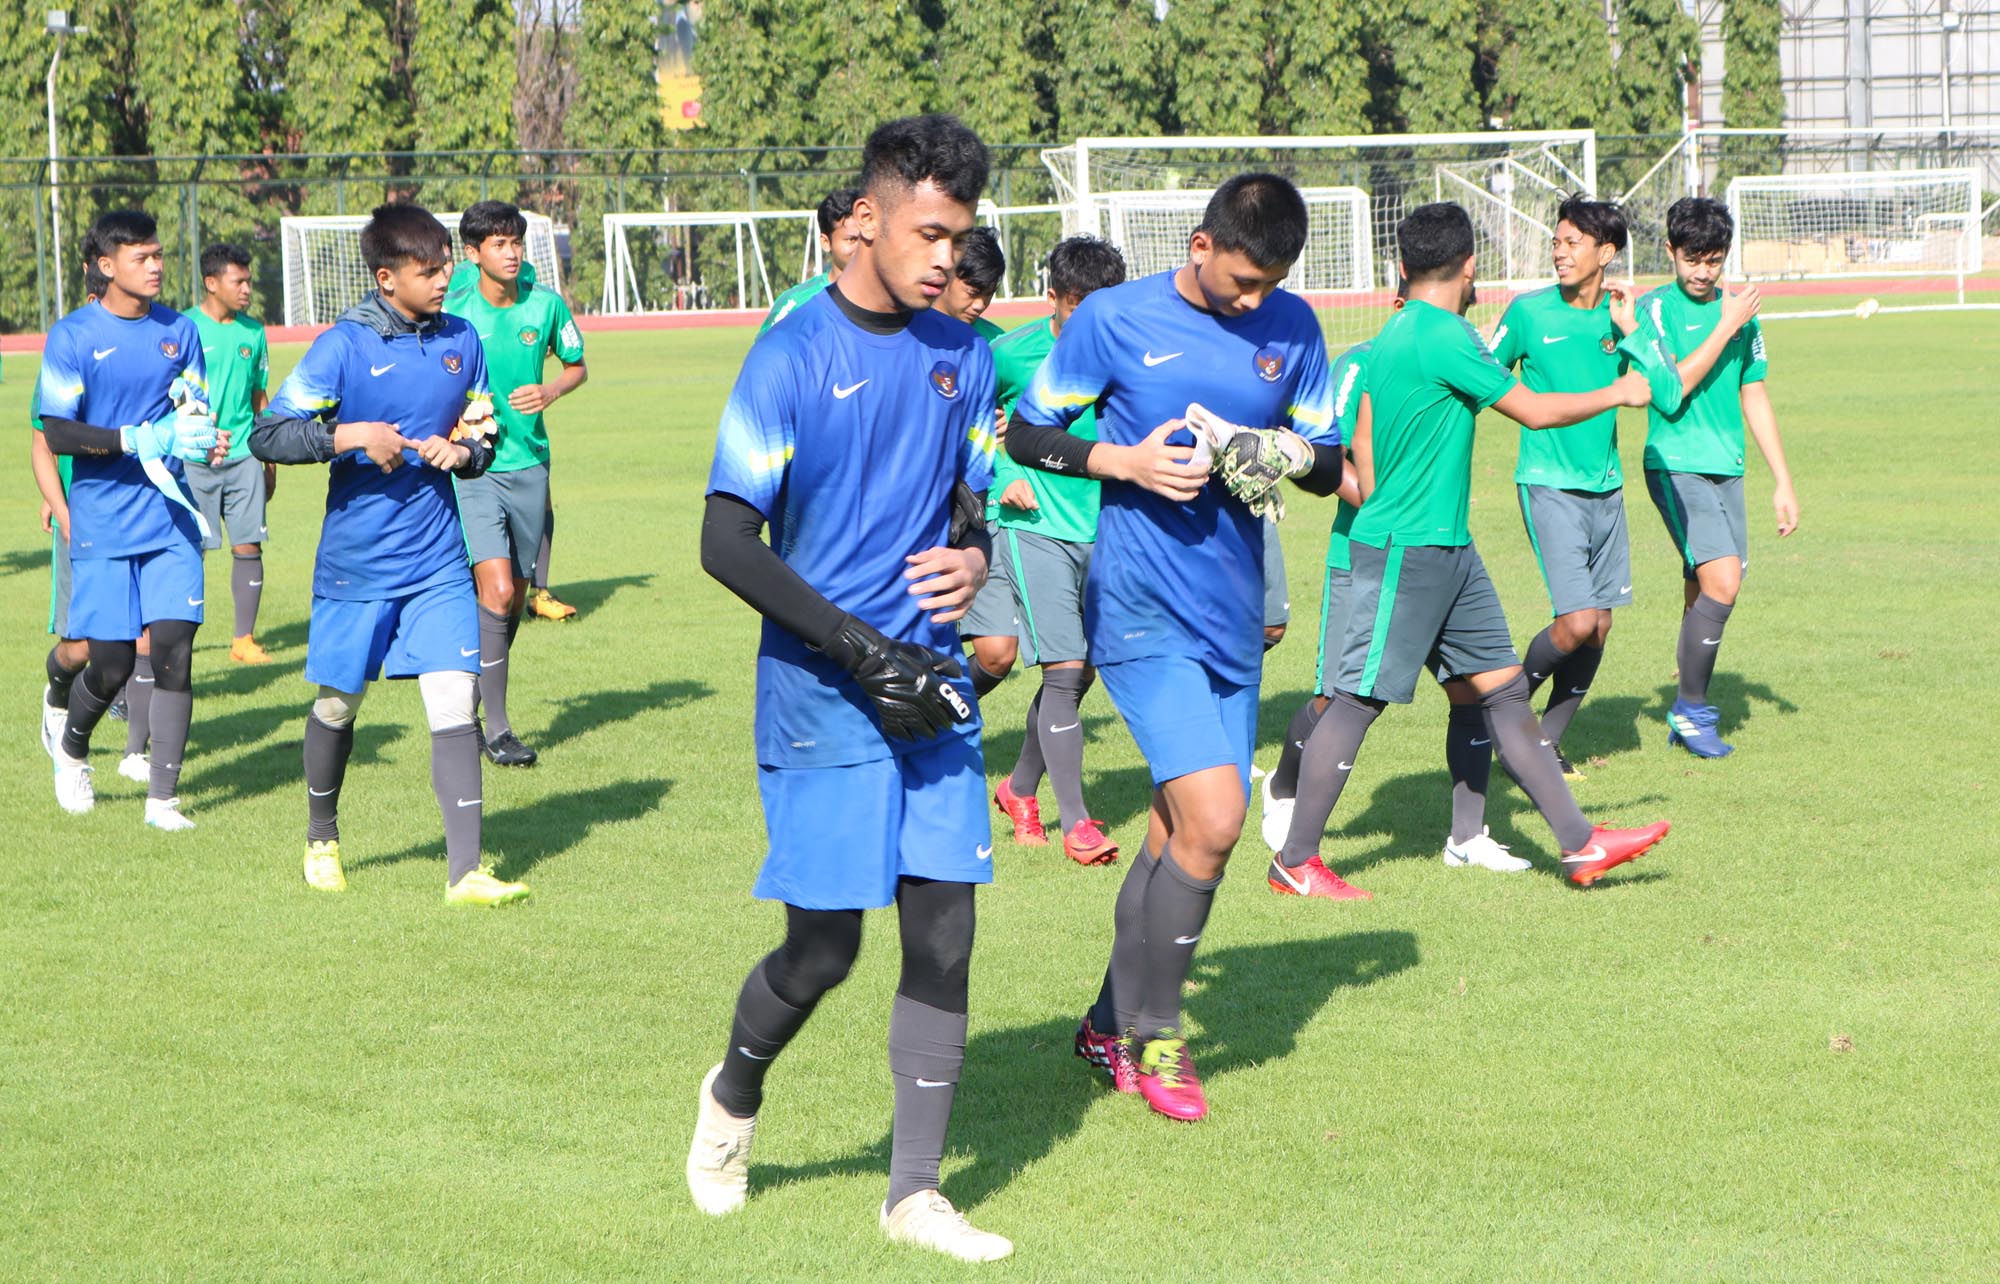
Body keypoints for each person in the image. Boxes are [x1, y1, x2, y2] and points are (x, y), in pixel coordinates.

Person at [685, 114, 1012, 1263]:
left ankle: (912, 1194)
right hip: (822, 691)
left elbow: (974, 502)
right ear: (864, 219)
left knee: (945, 937)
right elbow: (727, 541)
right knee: (824, 949)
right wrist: (850, 645)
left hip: (927, 686)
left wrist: (975, 559)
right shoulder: (788, 354)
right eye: (927, 232)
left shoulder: (964, 354)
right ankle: (730, 1101)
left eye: (957, 237)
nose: (942, 258)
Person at [1006, 173, 1345, 1121]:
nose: (1254, 301)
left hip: (1232, 616)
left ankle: (1104, 1021)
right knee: (1218, 818)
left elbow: (1330, 463)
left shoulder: (1294, 328)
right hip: (1142, 608)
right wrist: (1123, 461)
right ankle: (1157, 1038)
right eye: (1241, 281)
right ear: (1200, 247)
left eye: (1271, 283)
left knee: (1175, 834)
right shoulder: (1113, 319)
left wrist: (1280, 452)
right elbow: (1028, 431)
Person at [1277, 202, 1671, 899]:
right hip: (1406, 549)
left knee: (1501, 690)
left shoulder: (1395, 333)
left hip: (1449, 551)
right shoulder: (1447, 335)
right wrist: (1622, 388)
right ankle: (1295, 859)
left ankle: (1577, 845)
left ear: (1403, 267)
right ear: (1468, 267)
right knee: (1355, 701)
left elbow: (1363, 447)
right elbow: (1537, 410)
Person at [252, 202, 528, 908]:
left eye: (444, 267)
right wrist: (349, 436)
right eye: (427, 271)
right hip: (357, 565)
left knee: (453, 700)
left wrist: (462, 451)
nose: (443, 281)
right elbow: (270, 435)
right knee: (340, 706)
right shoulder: (343, 347)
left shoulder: (463, 339)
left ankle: (464, 873)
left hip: (437, 558)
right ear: (385, 277)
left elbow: (484, 434)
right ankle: (322, 837)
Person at [1261, 279, 1527, 891]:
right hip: (1364, 556)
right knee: (1339, 697)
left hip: (1429, 557)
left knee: (1470, 691)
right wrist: (1386, 505)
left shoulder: (1448, 353)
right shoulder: (1360, 363)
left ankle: (1468, 836)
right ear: (1401, 301)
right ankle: (1285, 789)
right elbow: (1328, 459)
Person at [37, 210, 218, 830]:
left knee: (173, 651)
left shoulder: (181, 331)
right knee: (111, 664)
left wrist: (203, 438)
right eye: (142, 257)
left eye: (159, 254)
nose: (157, 266)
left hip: (170, 517)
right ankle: (73, 750)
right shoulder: (72, 336)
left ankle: (163, 801)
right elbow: (57, 431)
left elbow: (194, 408)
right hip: (104, 518)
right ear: (106, 266)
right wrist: (129, 440)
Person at [1489, 197, 1665, 779]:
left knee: (1601, 625)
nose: (1559, 252)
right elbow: (1485, 379)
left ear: (1605, 253)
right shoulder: (1528, 313)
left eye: (1572, 243)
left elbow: (1663, 389)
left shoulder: (1620, 318)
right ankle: (1503, 711)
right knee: (1577, 622)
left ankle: (1542, 744)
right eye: (1557, 242)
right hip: (1547, 482)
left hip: (1607, 488)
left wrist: (1632, 330)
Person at [984, 235, 1127, 863]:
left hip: (1109, 530)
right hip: (1032, 523)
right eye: (1078, 306)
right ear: (1054, 299)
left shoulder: (1132, 354)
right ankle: (1077, 825)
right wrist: (996, 471)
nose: (1091, 321)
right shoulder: (1011, 355)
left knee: (1085, 670)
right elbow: (955, 422)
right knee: (1065, 670)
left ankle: (1018, 790)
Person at [1637, 196, 1796, 758]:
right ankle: (1691, 710)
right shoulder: (1653, 309)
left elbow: (1753, 390)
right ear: (1671, 252)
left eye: (1714, 260)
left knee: (1705, 588)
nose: (1703, 272)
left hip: (1726, 467)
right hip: (1674, 463)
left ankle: (1687, 702)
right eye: (1692, 259)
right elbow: (1671, 385)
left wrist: (1782, 479)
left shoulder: (1742, 313)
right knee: (1722, 581)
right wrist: (1727, 322)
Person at [444, 200, 588, 768]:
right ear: (473, 255)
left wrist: (551, 390)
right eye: (498, 244)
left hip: (532, 466)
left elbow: (577, 364)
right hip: (476, 470)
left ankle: (472, 705)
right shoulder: (454, 311)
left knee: (516, 598)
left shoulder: (546, 305)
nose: (511, 253)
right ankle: (496, 730)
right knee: (497, 592)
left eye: (516, 243)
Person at [32, 245, 110, 764]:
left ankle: (137, 750)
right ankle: (59, 688)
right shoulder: (68, 351)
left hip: (136, 519)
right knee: (81, 643)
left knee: (143, 639)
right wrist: (58, 507)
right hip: (79, 519)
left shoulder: (157, 346)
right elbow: (42, 442)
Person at [182, 243, 275, 667]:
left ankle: (243, 640)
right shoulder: (182, 328)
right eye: (238, 281)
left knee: (248, 546)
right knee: (187, 551)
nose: (246, 289)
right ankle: (177, 636)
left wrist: (268, 457)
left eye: (248, 280)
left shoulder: (253, 332)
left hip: (244, 456)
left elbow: (259, 397)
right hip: (192, 459)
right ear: (211, 282)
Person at [759, 187, 863, 334]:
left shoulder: (890, 299)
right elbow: (765, 352)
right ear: (826, 243)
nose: (861, 248)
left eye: (865, 238)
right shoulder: (797, 302)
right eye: (851, 240)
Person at [935, 225, 1006, 341]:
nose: (980, 305)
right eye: (972, 293)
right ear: (945, 275)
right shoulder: (908, 331)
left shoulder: (996, 342)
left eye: (989, 295)